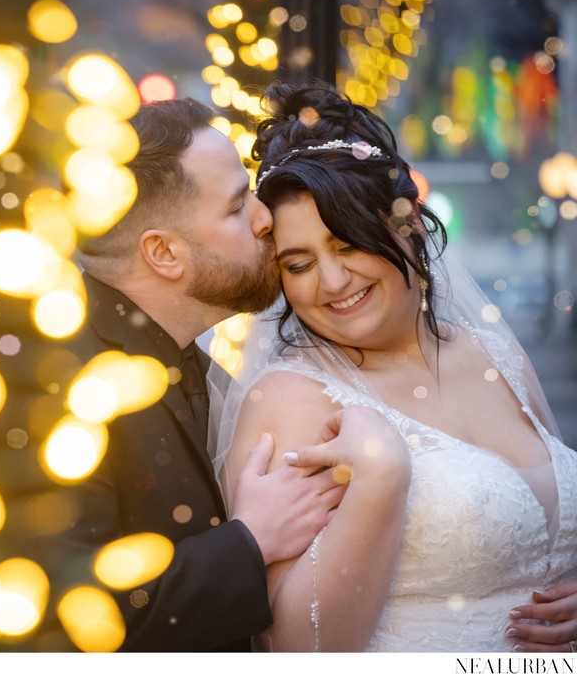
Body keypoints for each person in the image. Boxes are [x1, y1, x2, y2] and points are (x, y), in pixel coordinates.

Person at [213, 81, 577, 651]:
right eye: (300, 262)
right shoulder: (293, 399)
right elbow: (298, 650)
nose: (331, 283)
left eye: (349, 245)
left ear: (407, 225)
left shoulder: (493, 353)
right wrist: (380, 476)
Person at [50, 97, 399, 651]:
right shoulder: (63, 384)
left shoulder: (189, 363)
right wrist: (250, 541)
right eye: (238, 207)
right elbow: (73, 620)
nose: (267, 218)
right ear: (164, 252)